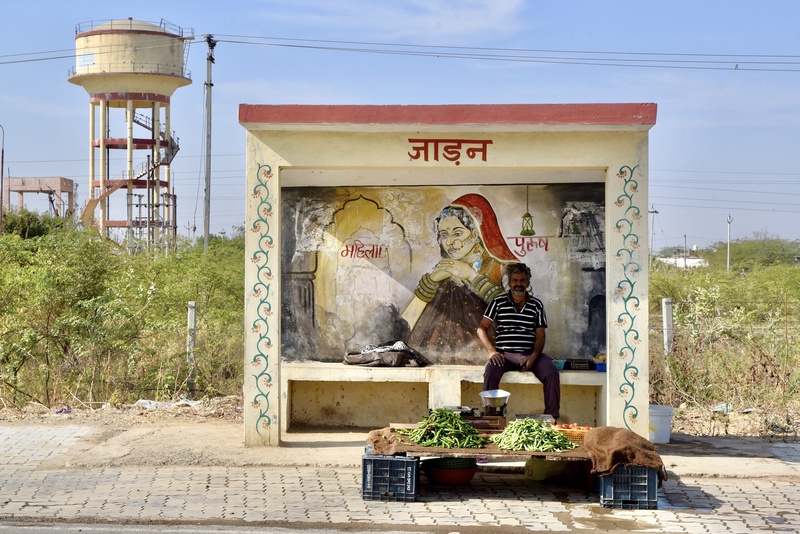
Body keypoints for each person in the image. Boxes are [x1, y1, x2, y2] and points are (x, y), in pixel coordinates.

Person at [402, 194, 517, 360]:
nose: (449, 242)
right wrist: (432, 281)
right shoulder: (443, 271)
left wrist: (471, 276)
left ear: (476, 233)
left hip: (495, 357)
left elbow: (517, 317)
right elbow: (407, 324)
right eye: (444, 235)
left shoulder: (504, 269)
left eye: (457, 233)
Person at [477, 262, 561, 419]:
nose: (518, 284)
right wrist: (491, 351)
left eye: (522, 280)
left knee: (551, 372)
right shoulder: (498, 303)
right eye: (515, 280)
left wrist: (534, 356)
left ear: (528, 283)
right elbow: (481, 328)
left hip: (530, 354)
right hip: (504, 355)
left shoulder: (536, 305)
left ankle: (551, 417)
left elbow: (541, 335)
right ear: (509, 283)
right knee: (490, 371)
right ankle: (491, 417)